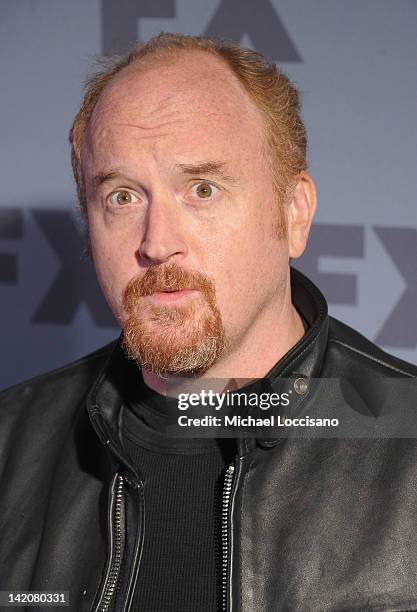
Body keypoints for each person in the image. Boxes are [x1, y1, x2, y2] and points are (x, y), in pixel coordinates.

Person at [1, 32, 416, 612]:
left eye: (202, 189)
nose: (157, 243)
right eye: (122, 197)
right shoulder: (9, 447)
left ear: (293, 214)